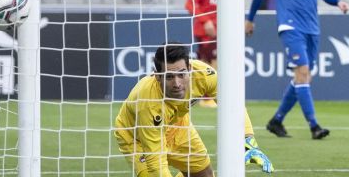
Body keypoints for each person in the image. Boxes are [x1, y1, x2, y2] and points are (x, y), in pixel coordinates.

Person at [245, 0, 349, 140]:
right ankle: (314, 126)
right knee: (302, 72)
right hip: (290, 25)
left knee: (303, 77)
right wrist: (250, 18)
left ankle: (276, 120)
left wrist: (337, 1)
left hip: (312, 25)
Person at [114, 43, 273, 177]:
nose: (177, 83)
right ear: (157, 76)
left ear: (189, 68)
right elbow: (156, 162)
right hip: (137, 138)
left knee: (204, 174)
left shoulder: (203, 75)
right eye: (169, 77)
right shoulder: (147, 102)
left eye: (181, 74)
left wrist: (248, 141)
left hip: (177, 126)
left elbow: (233, 106)